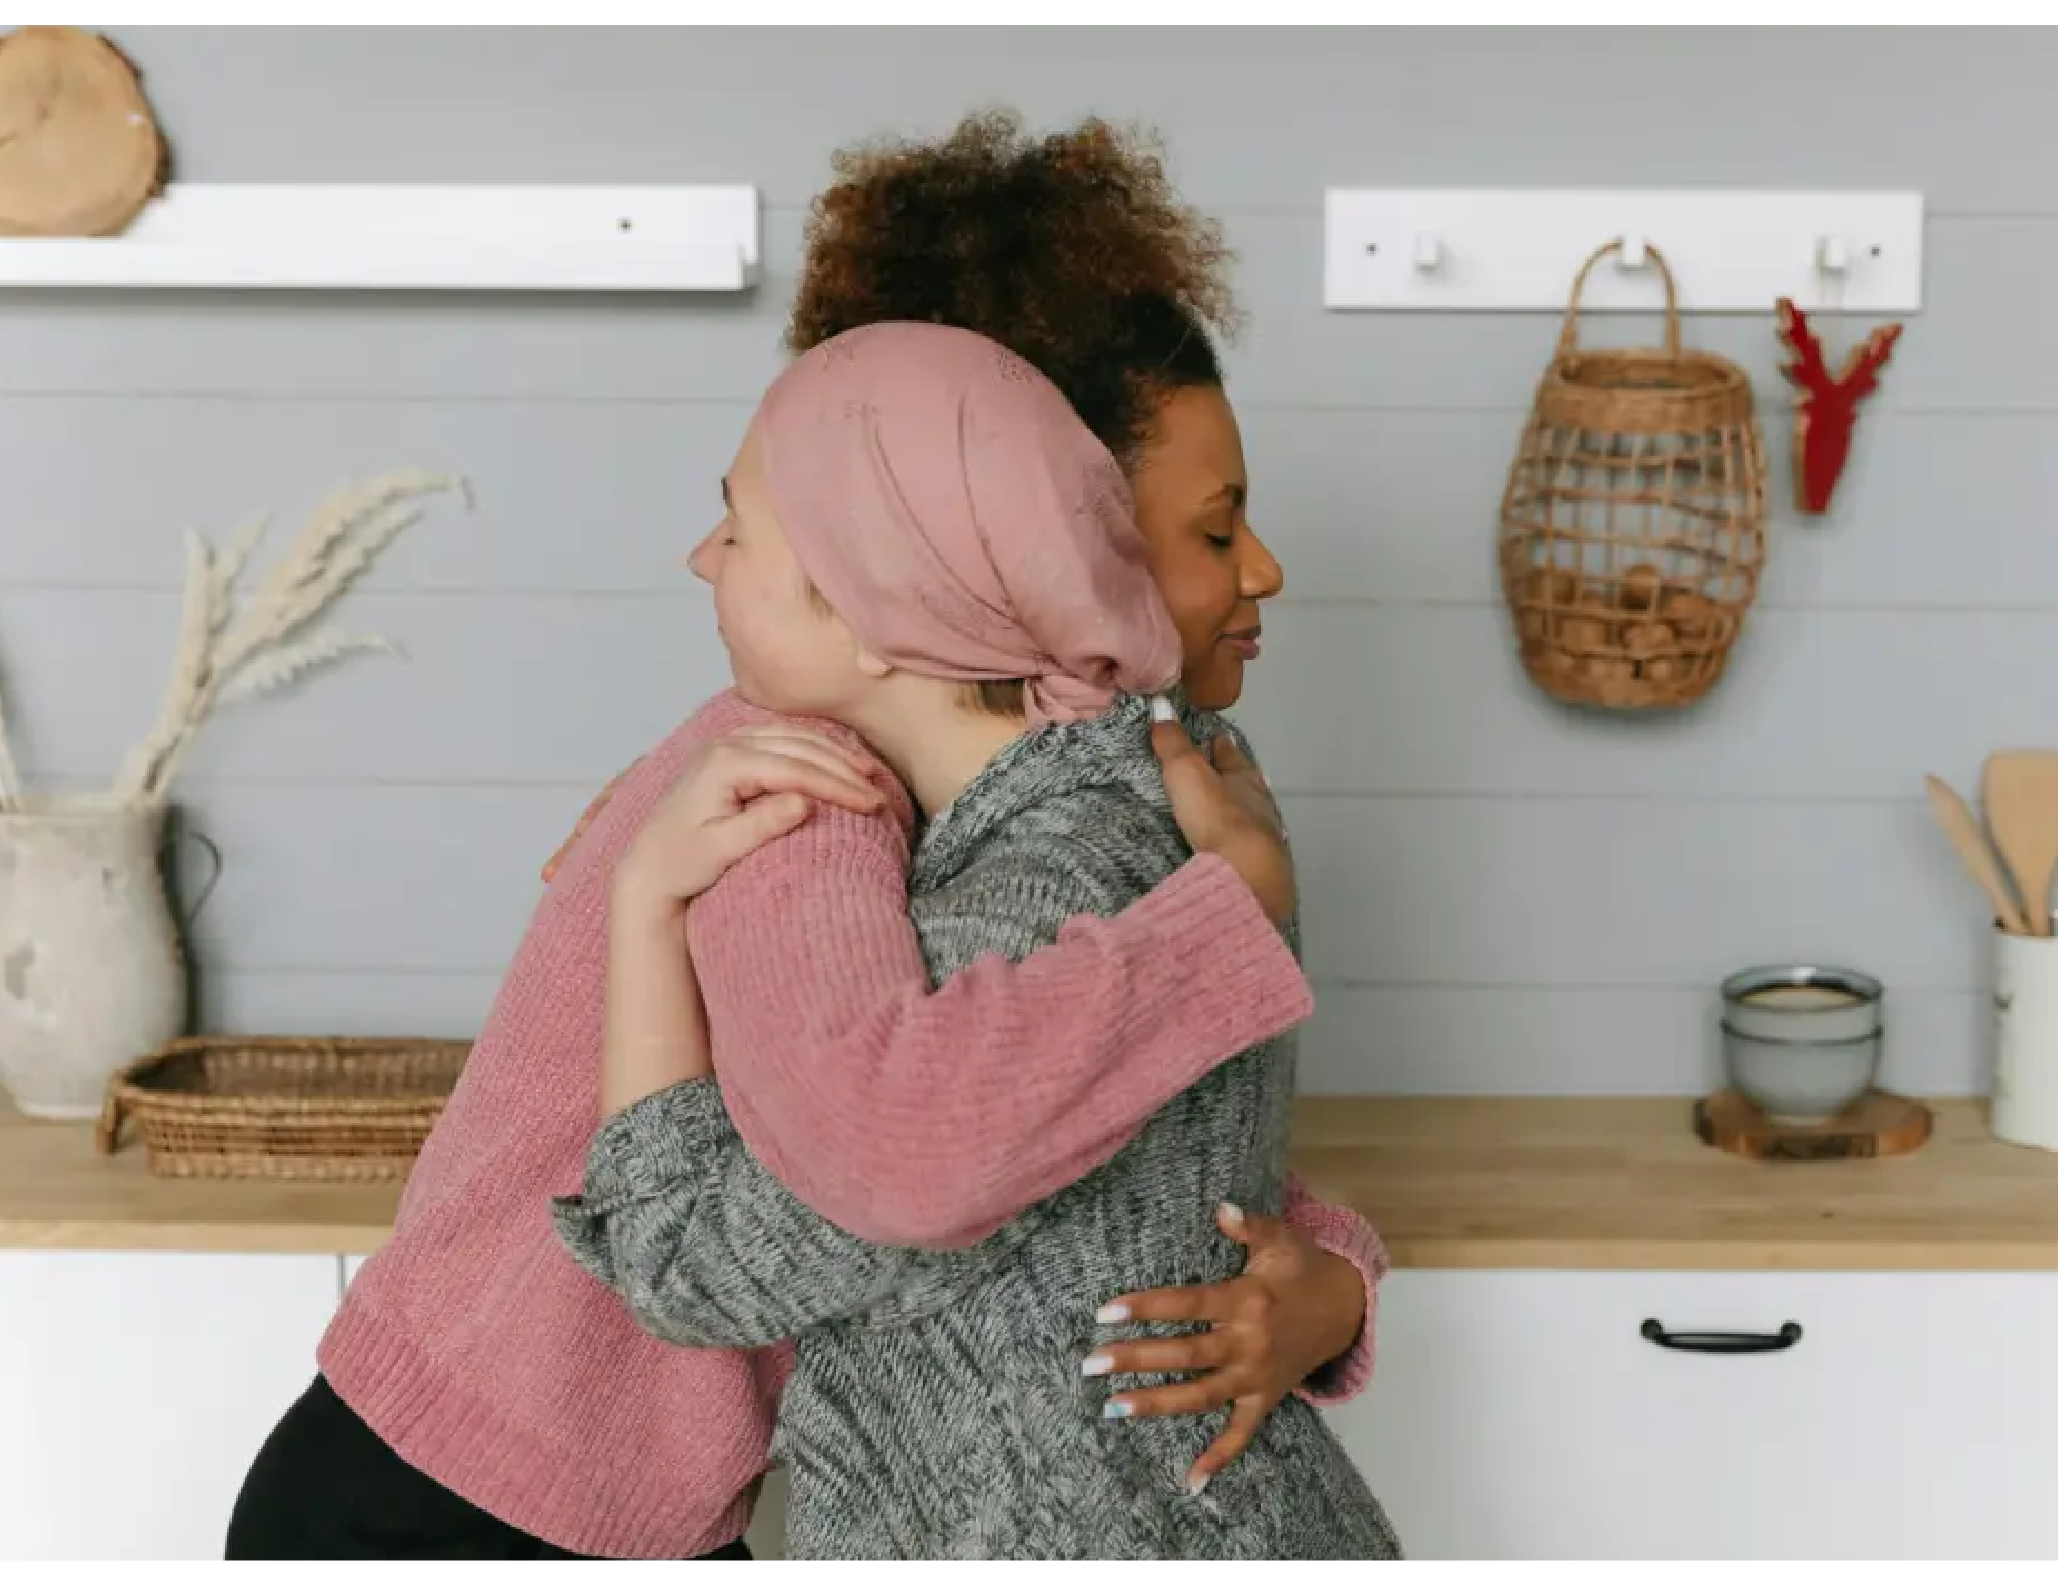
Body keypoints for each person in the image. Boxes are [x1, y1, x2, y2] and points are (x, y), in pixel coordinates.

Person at [221, 115, 1386, 1565]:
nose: (1255, 568)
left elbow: (1072, 1139)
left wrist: (1329, 1277)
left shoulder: (1056, 792)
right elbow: (891, 1164)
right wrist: (1231, 921)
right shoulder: (812, 792)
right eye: (1205, 529)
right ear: (982, 546)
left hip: (608, 1493)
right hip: (484, 1490)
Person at [552, 320, 1400, 1561]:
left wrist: (645, 905)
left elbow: (696, 1260)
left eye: (736, 528)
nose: (701, 556)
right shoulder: (1170, 795)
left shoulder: (1030, 897)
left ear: (873, 612)